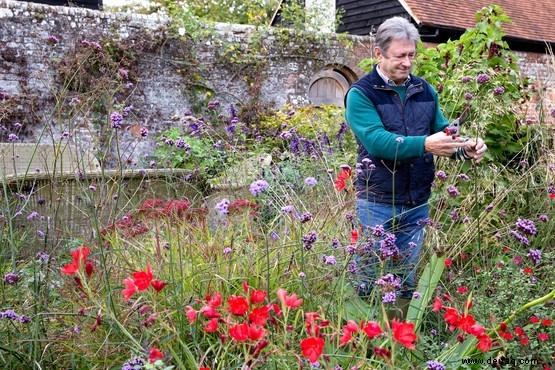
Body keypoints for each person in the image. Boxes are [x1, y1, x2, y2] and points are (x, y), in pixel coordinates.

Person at [344, 16, 487, 318]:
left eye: (411, 55)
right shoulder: (360, 94)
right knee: (371, 279)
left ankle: (397, 342)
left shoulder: (425, 90)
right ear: (379, 54)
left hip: (417, 203)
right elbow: (378, 142)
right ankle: (364, 344)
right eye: (399, 56)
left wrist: (466, 147)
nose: (408, 63)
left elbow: (445, 134)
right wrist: (425, 145)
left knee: (406, 281)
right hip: (377, 202)